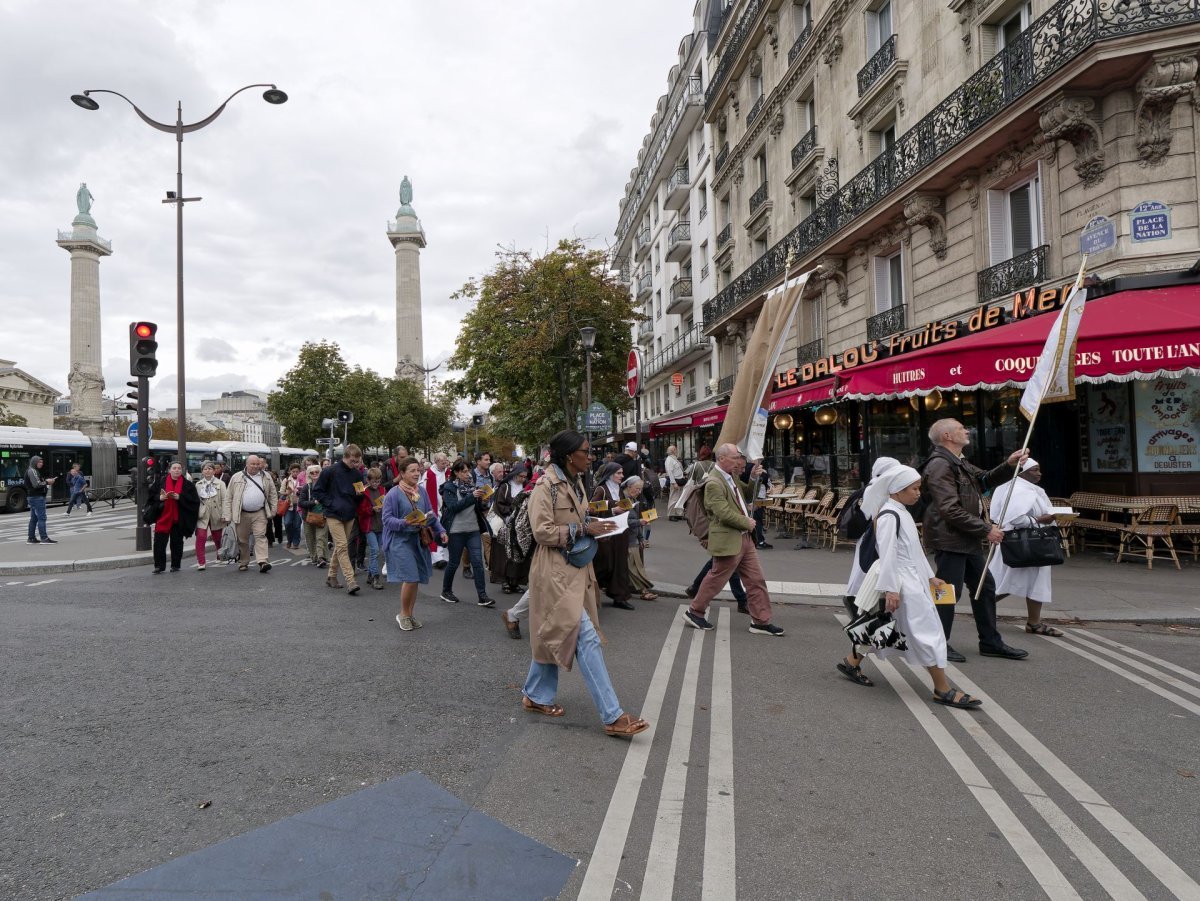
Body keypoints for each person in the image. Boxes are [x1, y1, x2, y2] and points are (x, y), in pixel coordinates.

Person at [521, 430, 649, 738]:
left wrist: (606, 517)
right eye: (585, 451)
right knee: (584, 636)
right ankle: (613, 715)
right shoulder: (545, 486)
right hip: (554, 571)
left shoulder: (575, 481)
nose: (590, 456)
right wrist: (584, 529)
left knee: (559, 631)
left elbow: (582, 515)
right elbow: (542, 532)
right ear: (569, 456)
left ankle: (535, 695)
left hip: (574, 569)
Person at [838, 466, 983, 710]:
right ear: (896, 490)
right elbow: (887, 556)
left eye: (918, 488)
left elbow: (914, 552)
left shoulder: (899, 512)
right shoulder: (889, 516)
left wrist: (929, 577)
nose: (918, 493)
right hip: (903, 584)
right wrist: (891, 589)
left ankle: (852, 662)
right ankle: (942, 689)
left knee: (884, 626)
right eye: (914, 489)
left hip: (909, 580)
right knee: (929, 633)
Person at [923, 418, 1028, 662]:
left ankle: (990, 641)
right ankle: (938, 643)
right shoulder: (940, 465)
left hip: (964, 538)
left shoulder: (959, 462)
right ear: (948, 435)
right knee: (948, 592)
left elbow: (985, 480)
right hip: (950, 539)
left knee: (984, 587)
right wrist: (985, 529)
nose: (966, 430)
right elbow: (949, 509)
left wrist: (1010, 465)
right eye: (961, 428)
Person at [684, 444, 784, 636]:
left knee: (756, 580)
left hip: (744, 538)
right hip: (729, 537)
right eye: (736, 457)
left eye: (740, 457)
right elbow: (721, 512)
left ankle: (761, 621)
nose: (740, 461)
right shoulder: (713, 482)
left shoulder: (731, 477)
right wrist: (746, 522)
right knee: (716, 578)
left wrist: (754, 477)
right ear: (722, 459)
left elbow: (747, 495)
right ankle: (695, 611)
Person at [987, 458, 1063, 637]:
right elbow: (1015, 519)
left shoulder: (1024, 488)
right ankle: (981, 608)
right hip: (1020, 544)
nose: (1039, 473)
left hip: (1033, 542)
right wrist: (1040, 519)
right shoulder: (1019, 490)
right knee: (1003, 583)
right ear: (1022, 472)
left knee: (1037, 583)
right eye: (1035, 470)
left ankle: (1034, 623)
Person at [382, 458, 448, 631]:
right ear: (402, 474)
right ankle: (403, 614)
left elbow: (430, 514)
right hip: (400, 541)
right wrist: (405, 523)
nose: (416, 473)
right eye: (412, 470)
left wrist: (441, 531)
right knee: (410, 577)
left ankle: (410, 614)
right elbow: (387, 520)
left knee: (416, 579)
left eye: (417, 470)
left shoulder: (422, 492)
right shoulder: (393, 494)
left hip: (418, 540)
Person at [313, 444, 368, 595]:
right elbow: (317, 491)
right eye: (352, 461)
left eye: (357, 461)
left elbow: (360, 493)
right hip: (333, 514)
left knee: (340, 547)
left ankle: (331, 576)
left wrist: (359, 496)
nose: (355, 464)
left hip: (349, 514)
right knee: (343, 546)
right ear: (345, 456)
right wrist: (331, 504)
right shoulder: (330, 471)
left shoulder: (356, 474)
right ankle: (351, 581)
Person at [439, 459, 494, 607]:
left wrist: (483, 500)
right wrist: (472, 497)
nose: (467, 474)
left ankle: (482, 596)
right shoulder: (449, 487)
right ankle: (446, 591)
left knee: (477, 562)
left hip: (473, 530)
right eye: (464, 471)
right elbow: (453, 507)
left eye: (468, 470)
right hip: (456, 531)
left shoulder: (471, 486)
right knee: (454, 563)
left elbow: (477, 507)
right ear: (456, 472)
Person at [223, 454, 279, 575]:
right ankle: (243, 562)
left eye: (257, 464)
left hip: (260, 512)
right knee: (242, 540)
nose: (255, 466)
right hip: (241, 514)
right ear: (247, 464)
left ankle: (262, 561)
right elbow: (228, 497)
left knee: (261, 536)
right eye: (252, 464)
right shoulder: (236, 477)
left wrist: (273, 510)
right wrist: (227, 515)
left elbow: (273, 495)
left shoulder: (266, 476)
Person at [590, 462, 634, 610]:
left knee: (620, 564)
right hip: (606, 533)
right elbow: (591, 509)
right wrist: (612, 510)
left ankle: (619, 597)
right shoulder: (601, 489)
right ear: (610, 474)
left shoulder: (620, 490)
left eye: (622, 473)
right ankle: (590, 593)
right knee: (604, 564)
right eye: (619, 473)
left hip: (620, 532)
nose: (622, 476)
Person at [148, 460, 200, 574]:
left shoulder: (188, 485)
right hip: (163, 517)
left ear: (182, 471)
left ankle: (175, 565)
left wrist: (180, 497)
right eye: (174, 468)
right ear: (169, 470)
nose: (177, 470)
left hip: (178, 518)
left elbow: (194, 501)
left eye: (179, 468)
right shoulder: (161, 482)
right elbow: (151, 495)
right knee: (159, 543)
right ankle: (159, 566)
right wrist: (160, 498)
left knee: (177, 543)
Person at [488, 467, 529, 593]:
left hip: (520, 526)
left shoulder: (524, 487)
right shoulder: (505, 487)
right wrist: (512, 512)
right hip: (506, 524)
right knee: (504, 555)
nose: (522, 479)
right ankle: (505, 582)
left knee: (517, 554)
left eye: (524, 477)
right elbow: (499, 504)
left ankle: (515, 582)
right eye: (520, 476)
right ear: (515, 475)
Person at [622, 476, 658, 601]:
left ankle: (641, 590)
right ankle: (644, 590)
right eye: (637, 488)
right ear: (629, 487)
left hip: (632, 538)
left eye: (640, 489)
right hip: (626, 539)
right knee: (635, 567)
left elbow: (635, 521)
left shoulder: (633, 500)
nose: (639, 491)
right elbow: (624, 521)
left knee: (634, 567)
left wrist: (641, 538)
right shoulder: (624, 501)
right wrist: (639, 521)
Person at [194, 461, 228, 571]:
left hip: (216, 514)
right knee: (201, 537)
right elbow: (195, 501)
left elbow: (225, 499)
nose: (207, 471)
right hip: (202, 515)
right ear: (202, 471)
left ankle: (220, 555)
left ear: (214, 471)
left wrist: (225, 514)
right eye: (205, 469)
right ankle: (201, 562)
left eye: (210, 469)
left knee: (217, 538)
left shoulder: (221, 484)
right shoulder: (198, 485)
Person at [358, 467, 388, 589]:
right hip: (369, 525)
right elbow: (360, 510)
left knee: (378, 551)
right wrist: (371, 509)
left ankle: (370, 575)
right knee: (375, 550)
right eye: (374, 481)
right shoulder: (364, 492)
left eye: (378, 481)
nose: (376, 484)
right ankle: (375, 577)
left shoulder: (382, 490)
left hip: (380, 524)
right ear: (368, 480)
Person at [298, 464, 328, 568]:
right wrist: (313, 502)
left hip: (322, 516)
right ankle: (314, 557)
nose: (315, 474)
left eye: (317, 472)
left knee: (320, 537)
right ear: (309, 475)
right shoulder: (307, 487)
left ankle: (321, 558)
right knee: (310, 538)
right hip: (308, 517)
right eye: (312, 472)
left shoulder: (326, 487)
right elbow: (300, 503)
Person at [424, 452, 451, 568]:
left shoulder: (448, 472)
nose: (444, 464)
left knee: (445, 529)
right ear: (436, 462)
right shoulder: (429, 474)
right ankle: (437, 558)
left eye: (445, 461)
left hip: (446, 506)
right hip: (434, 506)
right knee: (436, 530)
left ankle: (444, 556)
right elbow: (424, 489)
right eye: (441, 462)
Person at [24, 456, 57, 544]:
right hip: (37, 497)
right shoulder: (32, 470)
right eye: (39, 462)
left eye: (42, 462)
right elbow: (36, 485)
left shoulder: (32, 470)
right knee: (42, 518)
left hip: (33, 497)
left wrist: (46, 481)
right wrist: (47, 482)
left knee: (34, 518)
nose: (41, 464)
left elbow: (36, 483)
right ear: (34, 462)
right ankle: (44, 538)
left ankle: (31, 538)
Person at [280, 463, 304, 549]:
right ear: (290, 471)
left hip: (299, 505)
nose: (295, 473)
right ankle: (289, 540)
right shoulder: (286, 480)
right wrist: (288, 492)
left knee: (297, 525)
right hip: (288, 505)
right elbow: (281, 492)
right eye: (293, 471)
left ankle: (296, 542)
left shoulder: (302, 480)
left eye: (297, 471)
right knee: (287, 523)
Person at [664, 445, 686, 519]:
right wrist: (674, 483)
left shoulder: (674, 459)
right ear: (673, 451)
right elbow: (670, 472)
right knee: (673, 499)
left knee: (679, 498)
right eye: (675, 449)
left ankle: (678, 514)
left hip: (679, 480)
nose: (677, 451)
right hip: (675, 481)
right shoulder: (669, 459)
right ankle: (671, 514)